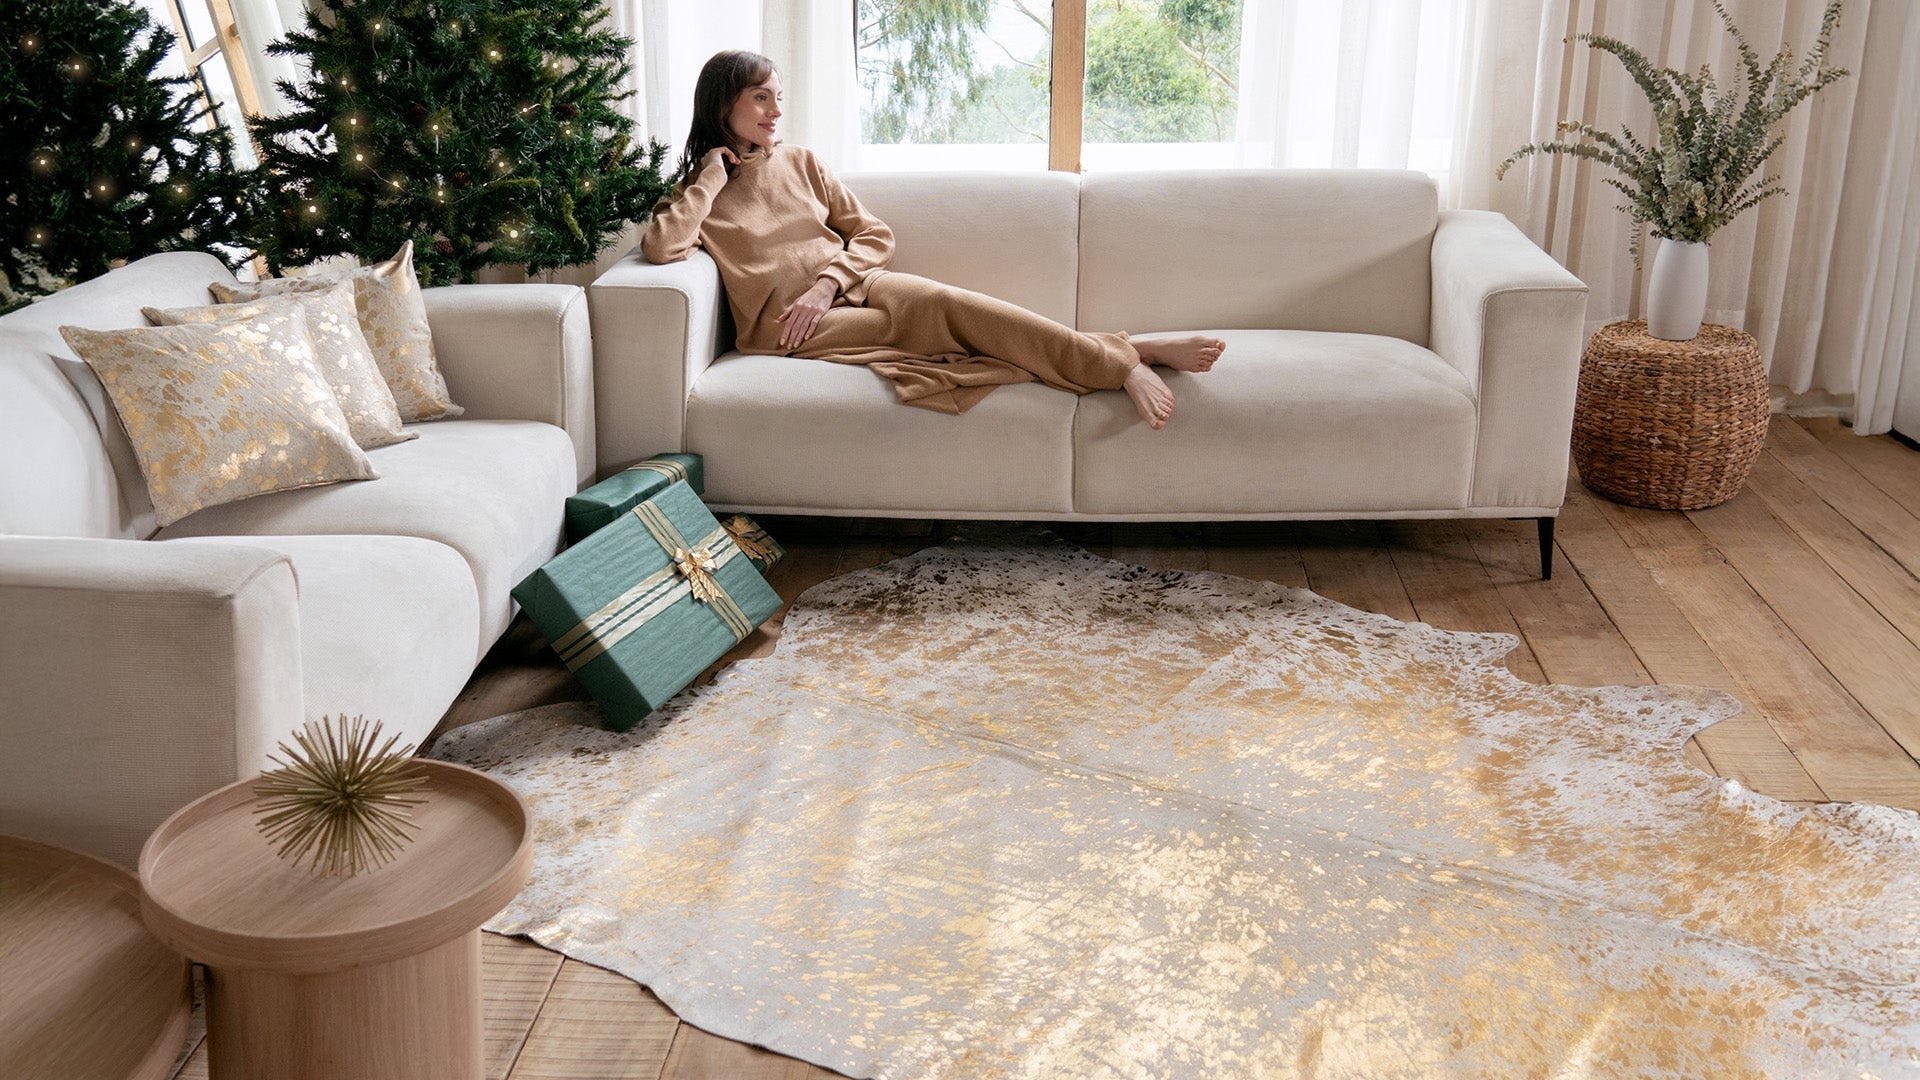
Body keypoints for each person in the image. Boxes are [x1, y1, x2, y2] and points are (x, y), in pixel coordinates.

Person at [640, 50, 1224, 429]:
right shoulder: (700, 190)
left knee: (953, 306)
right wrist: (712, 177)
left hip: (854, 288)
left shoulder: (801, 160)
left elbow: (873, 233)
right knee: (956, 346)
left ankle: (1123, 354)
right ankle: (1126, 356)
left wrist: (829, 281)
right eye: (760, 97)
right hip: (793, 327)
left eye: (778, 96)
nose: (775, 110)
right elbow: (663, 247)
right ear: (724, 105)